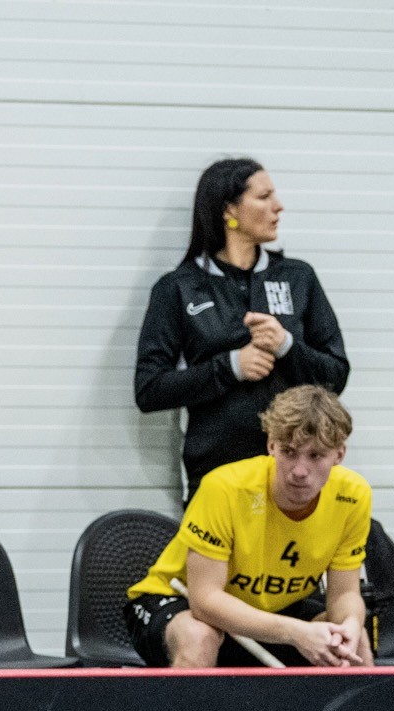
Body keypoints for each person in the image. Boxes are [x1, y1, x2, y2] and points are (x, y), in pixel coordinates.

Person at [135, 158, 350, 495]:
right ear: (229, 210)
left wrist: (286, 346)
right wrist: (230, 367)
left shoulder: (298, 277)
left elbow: (336, 376)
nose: (278, 206)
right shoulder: (178, 287)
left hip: (295, 475)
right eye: (264, 197)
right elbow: (149, 390)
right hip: (216, 474)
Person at [126, 385, 372, 668]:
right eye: (289, 452)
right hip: (177, 598)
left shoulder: (353, 496)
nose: (299, 471)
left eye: (315, 456)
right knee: (199, 636)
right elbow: (205, 601)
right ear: (271, 446)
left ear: (339, 455)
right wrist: (294, 632)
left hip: (270, 610)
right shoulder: (225, 488)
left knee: (352, 643)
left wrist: (350, 624)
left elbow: (344, 594)